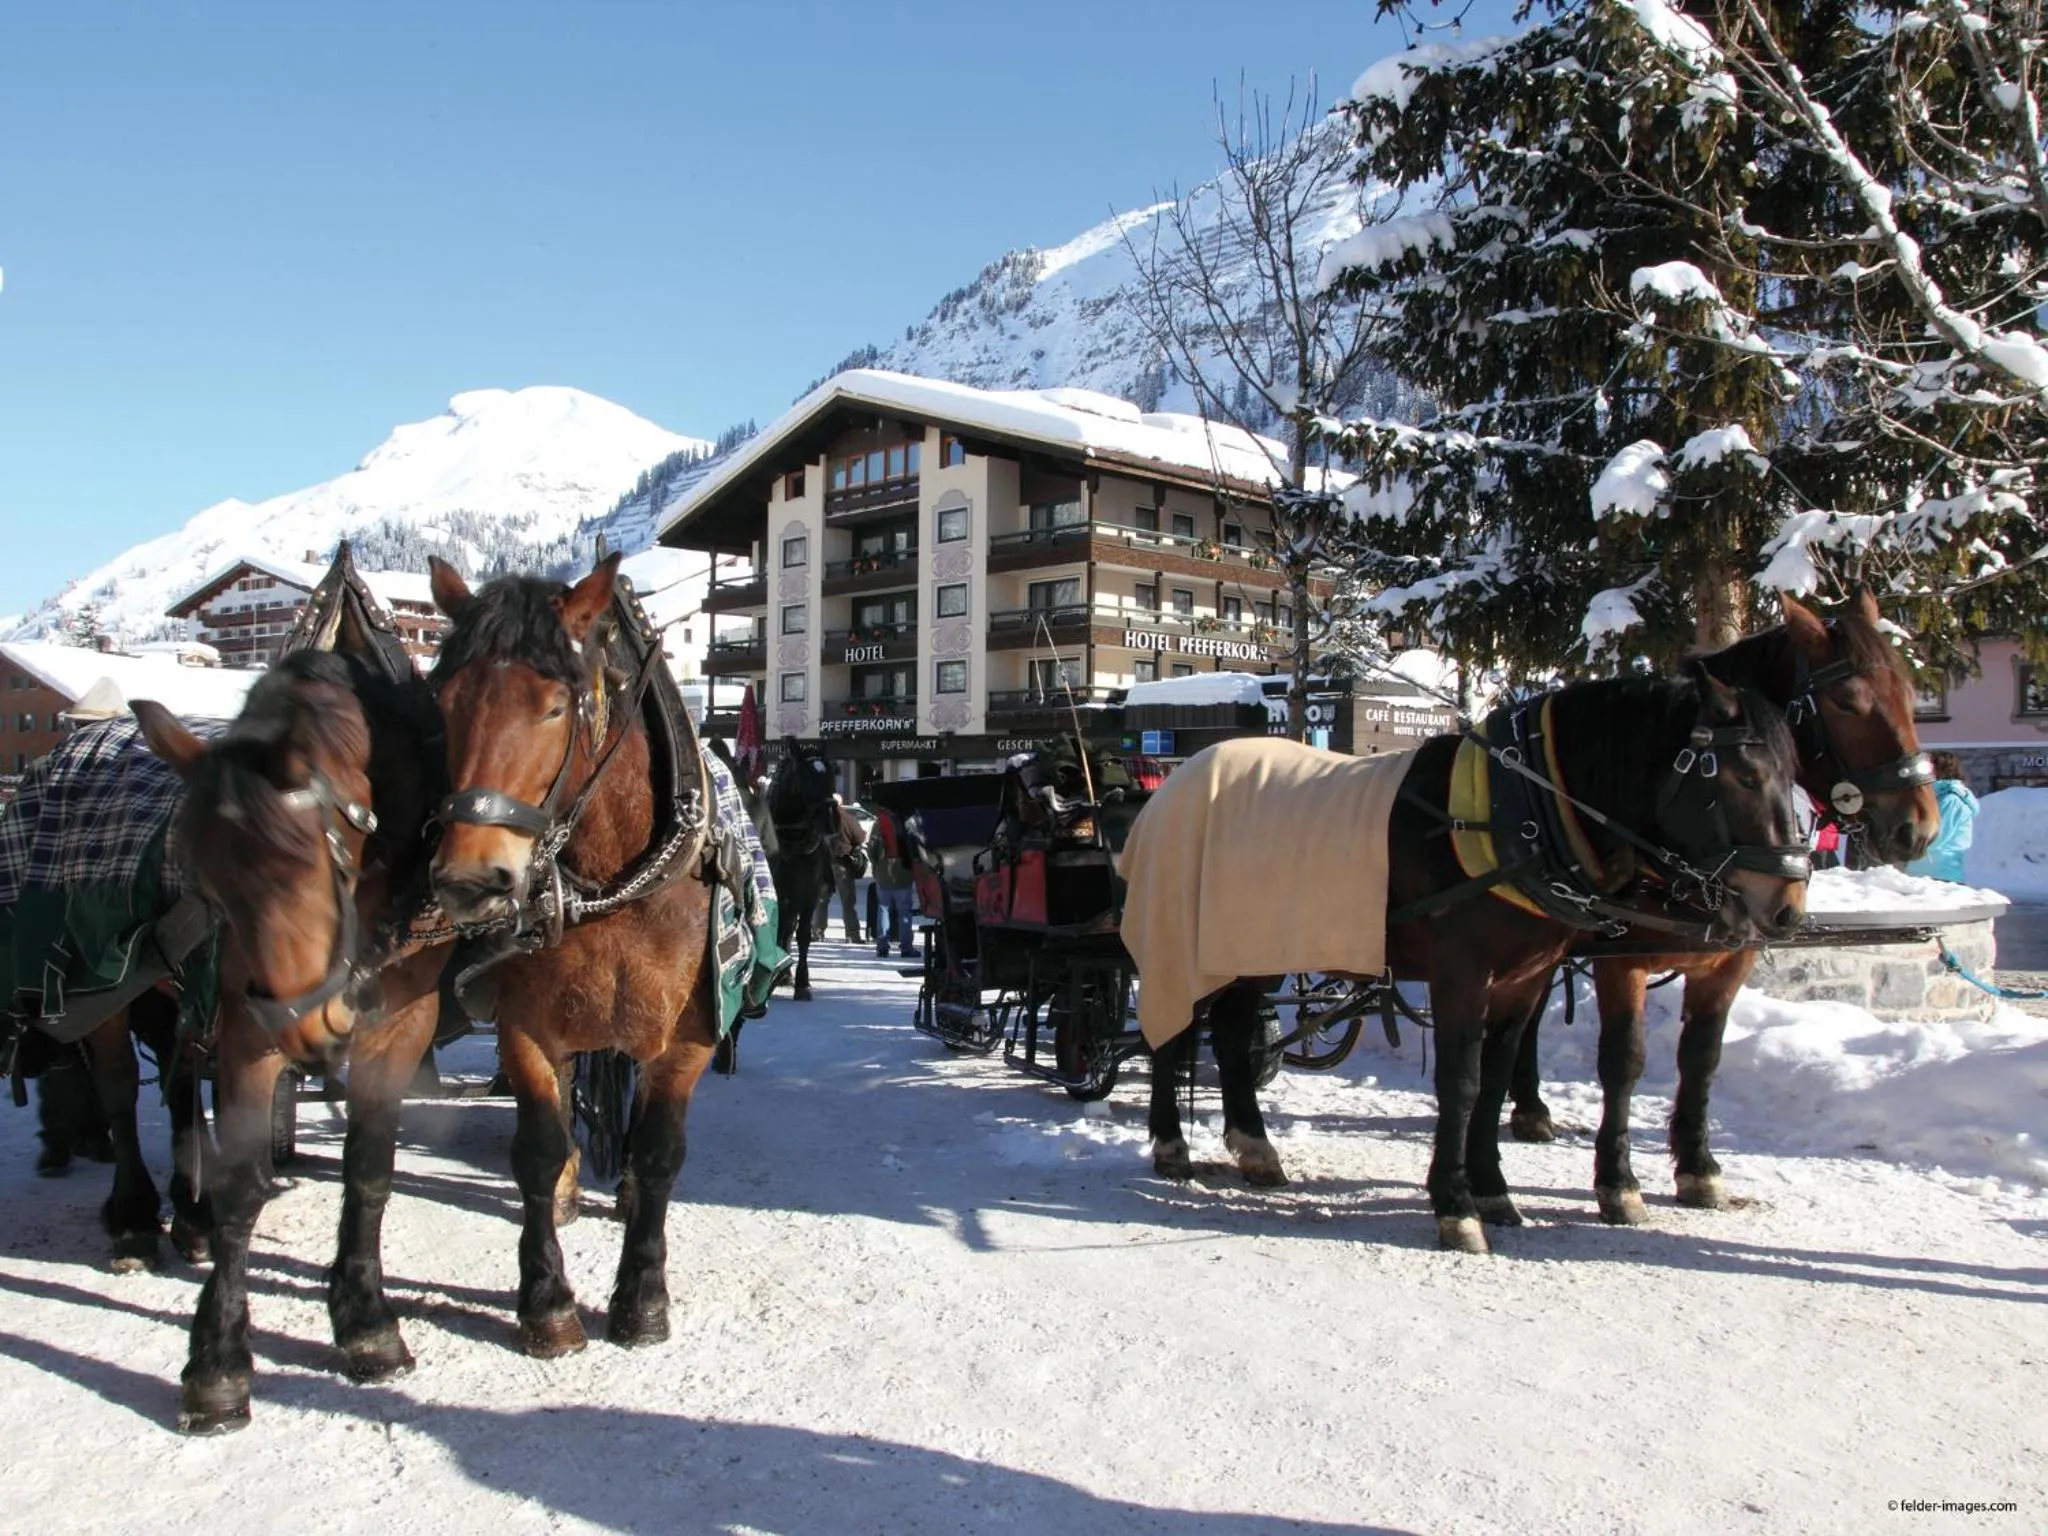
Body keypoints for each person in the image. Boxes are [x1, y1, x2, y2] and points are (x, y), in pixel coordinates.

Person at [1905, 751, 1980, 884]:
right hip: (1920, 874)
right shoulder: (1933, 799)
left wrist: (1904, 850)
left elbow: (1936, 837)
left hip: (1941, 876)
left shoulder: (1951, 800)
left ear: (1941, 769)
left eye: (1926, 767)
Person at [812, 793, 868, 943]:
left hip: (824, 863)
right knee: (848, 901)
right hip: (843, 863)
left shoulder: (821, 819)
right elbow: (860, 837)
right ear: (841, 804)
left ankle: (817, 931)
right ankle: (852, 934)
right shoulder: (848, 818)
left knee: (821, 899)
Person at [870, 809, 918, 960]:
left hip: (884, 872)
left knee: (883, 909)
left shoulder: (879, 823)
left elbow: (872, 848)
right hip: (903, 872)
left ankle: (882, 947)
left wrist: (876, 866)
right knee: (904, 911)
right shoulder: (909, 821)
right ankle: (906, 947)